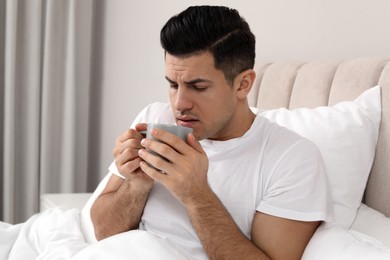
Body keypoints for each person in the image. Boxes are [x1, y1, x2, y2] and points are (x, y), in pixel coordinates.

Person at [90, 5, 332, 260]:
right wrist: (137, 183)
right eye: (173, 84)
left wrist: (196, 194)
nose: (179, 103)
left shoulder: (291, 159)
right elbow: (102, 232)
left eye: (198, 87)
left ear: (243, 84)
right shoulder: (154, 120)